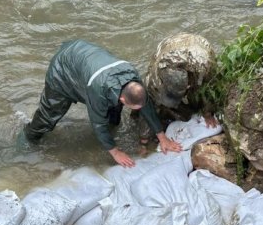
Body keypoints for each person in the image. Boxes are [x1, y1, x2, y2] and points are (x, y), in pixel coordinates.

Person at [24, 39, 182, 167]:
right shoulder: (98, 91)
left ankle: (112, 128)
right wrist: (115, 152)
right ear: (123, 99)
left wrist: (162, 137)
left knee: (113, 117)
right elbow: (97, 124)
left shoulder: (133, 78)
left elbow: (145, 105)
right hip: (64, 69)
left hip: (89, 60)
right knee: (48, 117)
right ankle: (28, 137)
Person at [137, 33, 219, 149]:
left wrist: (207, 112)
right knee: (152, 104)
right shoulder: (156, 78)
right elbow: (146, 106)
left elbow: (209, 88)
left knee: (198, 97)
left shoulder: (203, 68)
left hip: (198, 49)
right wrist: (143, 140)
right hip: (169, 47)